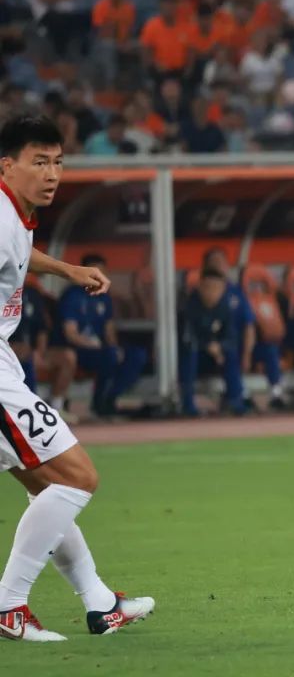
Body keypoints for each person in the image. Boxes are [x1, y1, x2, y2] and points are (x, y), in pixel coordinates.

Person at [0, 114, 153, 641]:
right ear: (7, 165)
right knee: (77, 478)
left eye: (58, 162)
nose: (51, 174)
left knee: (45, 484)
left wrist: (67, 270)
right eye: (38, 162)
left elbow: (20, 257)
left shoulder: (14, 216)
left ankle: (100, 603)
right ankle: (8, 605)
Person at [56, 254, 147, 417]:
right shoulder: (72, 295)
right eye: (94, 272)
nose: (99, 277)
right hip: (80, 350)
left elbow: (109, 329)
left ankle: (110, 398)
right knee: (109, 356)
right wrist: (94, 345)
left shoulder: (104, 297)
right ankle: (99, 403)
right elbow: (71, 334)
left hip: (102, 349)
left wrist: (115, 347)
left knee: (136, 355)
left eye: (102, 272)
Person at [178, 268, 245, 416]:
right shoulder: (190, 307)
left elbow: (231, 338)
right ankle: (188, 405)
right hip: (195, 357)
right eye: (208, 287)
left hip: (217, 357)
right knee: (190, 354)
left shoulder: (225, 308)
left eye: (216, 288)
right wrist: (207, 346)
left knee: (231, 354)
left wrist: (219, 346)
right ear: (200, 287)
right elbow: (186, 339)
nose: (212, 292)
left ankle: (235, 401)